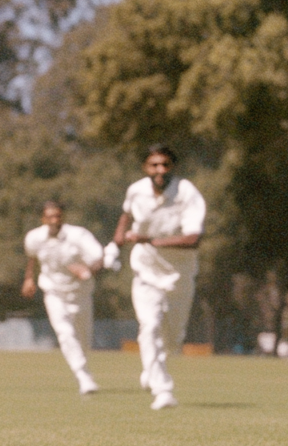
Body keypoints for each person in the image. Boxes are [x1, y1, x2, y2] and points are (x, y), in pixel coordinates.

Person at [111, 144, 206, 410]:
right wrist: (116, 242)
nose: (160, 170)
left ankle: (151, 368)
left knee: (173, 340)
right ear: (146, 167)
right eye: (154, 165)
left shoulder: (187, 193)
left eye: (165, 164)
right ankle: (163, 390)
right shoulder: (136, 190)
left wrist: (149, 239)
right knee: (149, 326)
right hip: (146, 272)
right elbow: (126, 214)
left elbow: (193, 239)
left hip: (179, 276)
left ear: (172, 167)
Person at [22, 201, 103, 396]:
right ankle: (83, 376)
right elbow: (32, 257)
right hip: (54, 292)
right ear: (42, 219)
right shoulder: (34, 238)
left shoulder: (78, 235)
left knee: (83, 340)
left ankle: (83, 368)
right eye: (49, 217)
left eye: (57, 216)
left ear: (63, 217)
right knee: (65, 333)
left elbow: (99, 257)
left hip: (80, 293)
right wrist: (28, 279)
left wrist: (86, 270)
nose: (54, 221)